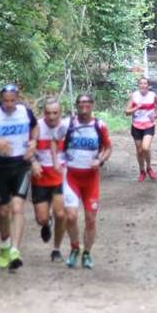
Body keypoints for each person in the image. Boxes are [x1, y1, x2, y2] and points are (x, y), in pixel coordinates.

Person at [0, 84, 38, 270]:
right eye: (5, 101)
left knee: (18, 207)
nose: (9, 104)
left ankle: (15, 250)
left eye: (12, 100)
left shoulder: (25, 112)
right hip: (1, 166)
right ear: (0, 99)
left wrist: (33, 142)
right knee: (3, 211)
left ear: (17, 98)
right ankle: (4, 244)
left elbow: (35, 128)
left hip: (22, 165)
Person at [63, 93, 112, 269]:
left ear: (92, 104)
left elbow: (108, 148)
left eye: (87, 102)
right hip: (71, 177)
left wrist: (100, 160)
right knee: (71, 216)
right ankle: (74, 247)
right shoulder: (68, 124)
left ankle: (87, 253)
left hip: (91, 179)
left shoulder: (100, 125)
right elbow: (56, 143)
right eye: (81, 102)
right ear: (77, 105)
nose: (84, 105)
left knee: (90, 219)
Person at [31, 98, 67, 262]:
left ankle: (56, 249)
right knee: (42, 218)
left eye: (55, 113)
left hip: (60, 175)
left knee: (61, 214)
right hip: (40, 176)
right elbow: (27, 147)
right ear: (43, 113)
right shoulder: (36, 127)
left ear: (60, 112)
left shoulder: (67, 127)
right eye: (48, 113)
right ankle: (46, 223)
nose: (51, 117)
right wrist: (33, 162)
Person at [124, 77, 157, 182]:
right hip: (136, 126)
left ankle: (149, 167)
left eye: (145, 83)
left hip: (149, 125)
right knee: (139, 150)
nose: (143, 85)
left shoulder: (153, 95)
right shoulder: (134, 96)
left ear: (148, 85)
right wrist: (136, 108)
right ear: (138, 85)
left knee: (145, 148)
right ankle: (142, 171)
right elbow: (127, 112)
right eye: (141, 83)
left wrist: (156, 114)